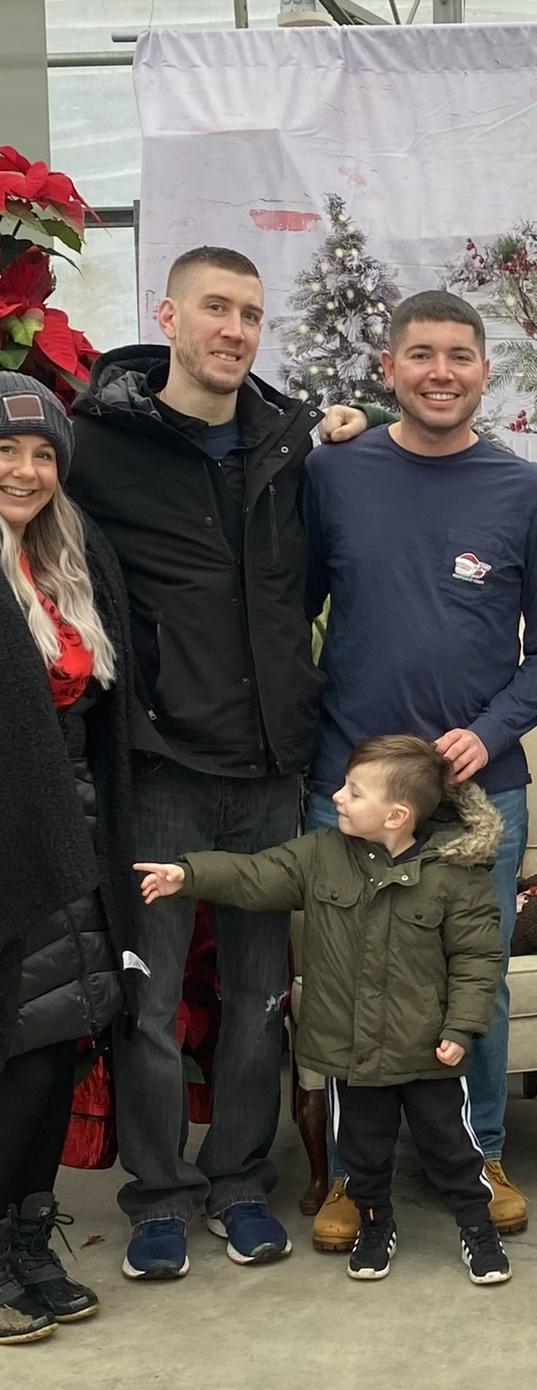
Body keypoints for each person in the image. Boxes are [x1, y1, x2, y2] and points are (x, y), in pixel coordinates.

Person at [67, 246, 323, 1278]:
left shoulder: (288, 445)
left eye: (251, 314)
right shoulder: (97, 446)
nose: (234, 328)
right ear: (168, 314)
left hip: (271, 774)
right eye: (215, 307)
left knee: (262, 998)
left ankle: (238, 1184)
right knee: (152, 996)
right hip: (164, 768)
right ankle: (159, 1195)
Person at [302, 290, 537, 1249]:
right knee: (346, 976)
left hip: (474, 796)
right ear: (389, 370)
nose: (441, 372)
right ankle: (351, 1173)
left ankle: (481, 1147)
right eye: (421, 355)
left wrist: (493, 730)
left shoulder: (522, 492)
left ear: (485, 372)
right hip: (350, 784)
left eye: (460, 355)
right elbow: (283, 599)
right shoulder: (334, 473)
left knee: (476, 978)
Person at [134, 735, 510, 1286]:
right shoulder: (319, 854)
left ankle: (478, 1229)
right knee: (362, 1153)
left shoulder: (455, 874)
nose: (337, 796)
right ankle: (375, 1225)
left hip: (428, 1049)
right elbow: (255, 874)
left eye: (353, 791)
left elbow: (478, 959)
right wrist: (189, 875)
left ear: (396, 814)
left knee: (451, 1147)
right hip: (350, 1051)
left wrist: (461, 1027)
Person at [0, 374, 138, 1341]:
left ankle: (25, 1239)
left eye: (44, 452)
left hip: (78, 832)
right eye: (6, 451)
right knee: (14, 1052)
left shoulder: (75, 563)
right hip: (13, 837)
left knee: (57, 1048)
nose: (25, 470)